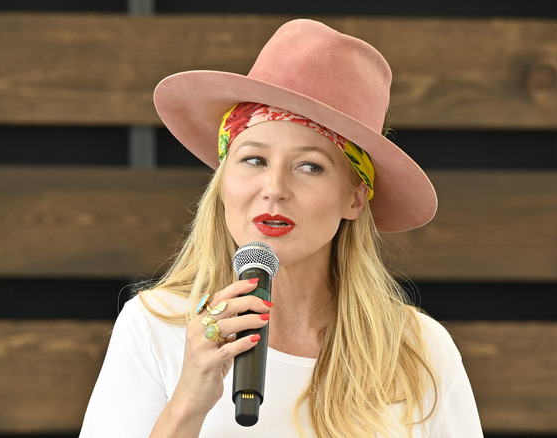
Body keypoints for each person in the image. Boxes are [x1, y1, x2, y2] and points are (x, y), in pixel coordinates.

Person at [80, 19, 483, 437]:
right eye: (254, 160)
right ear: (223, 181)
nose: (274, 189)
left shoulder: (419, 349)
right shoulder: (155, 327)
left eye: (310, 166)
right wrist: (186, 403)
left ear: (355, 198)